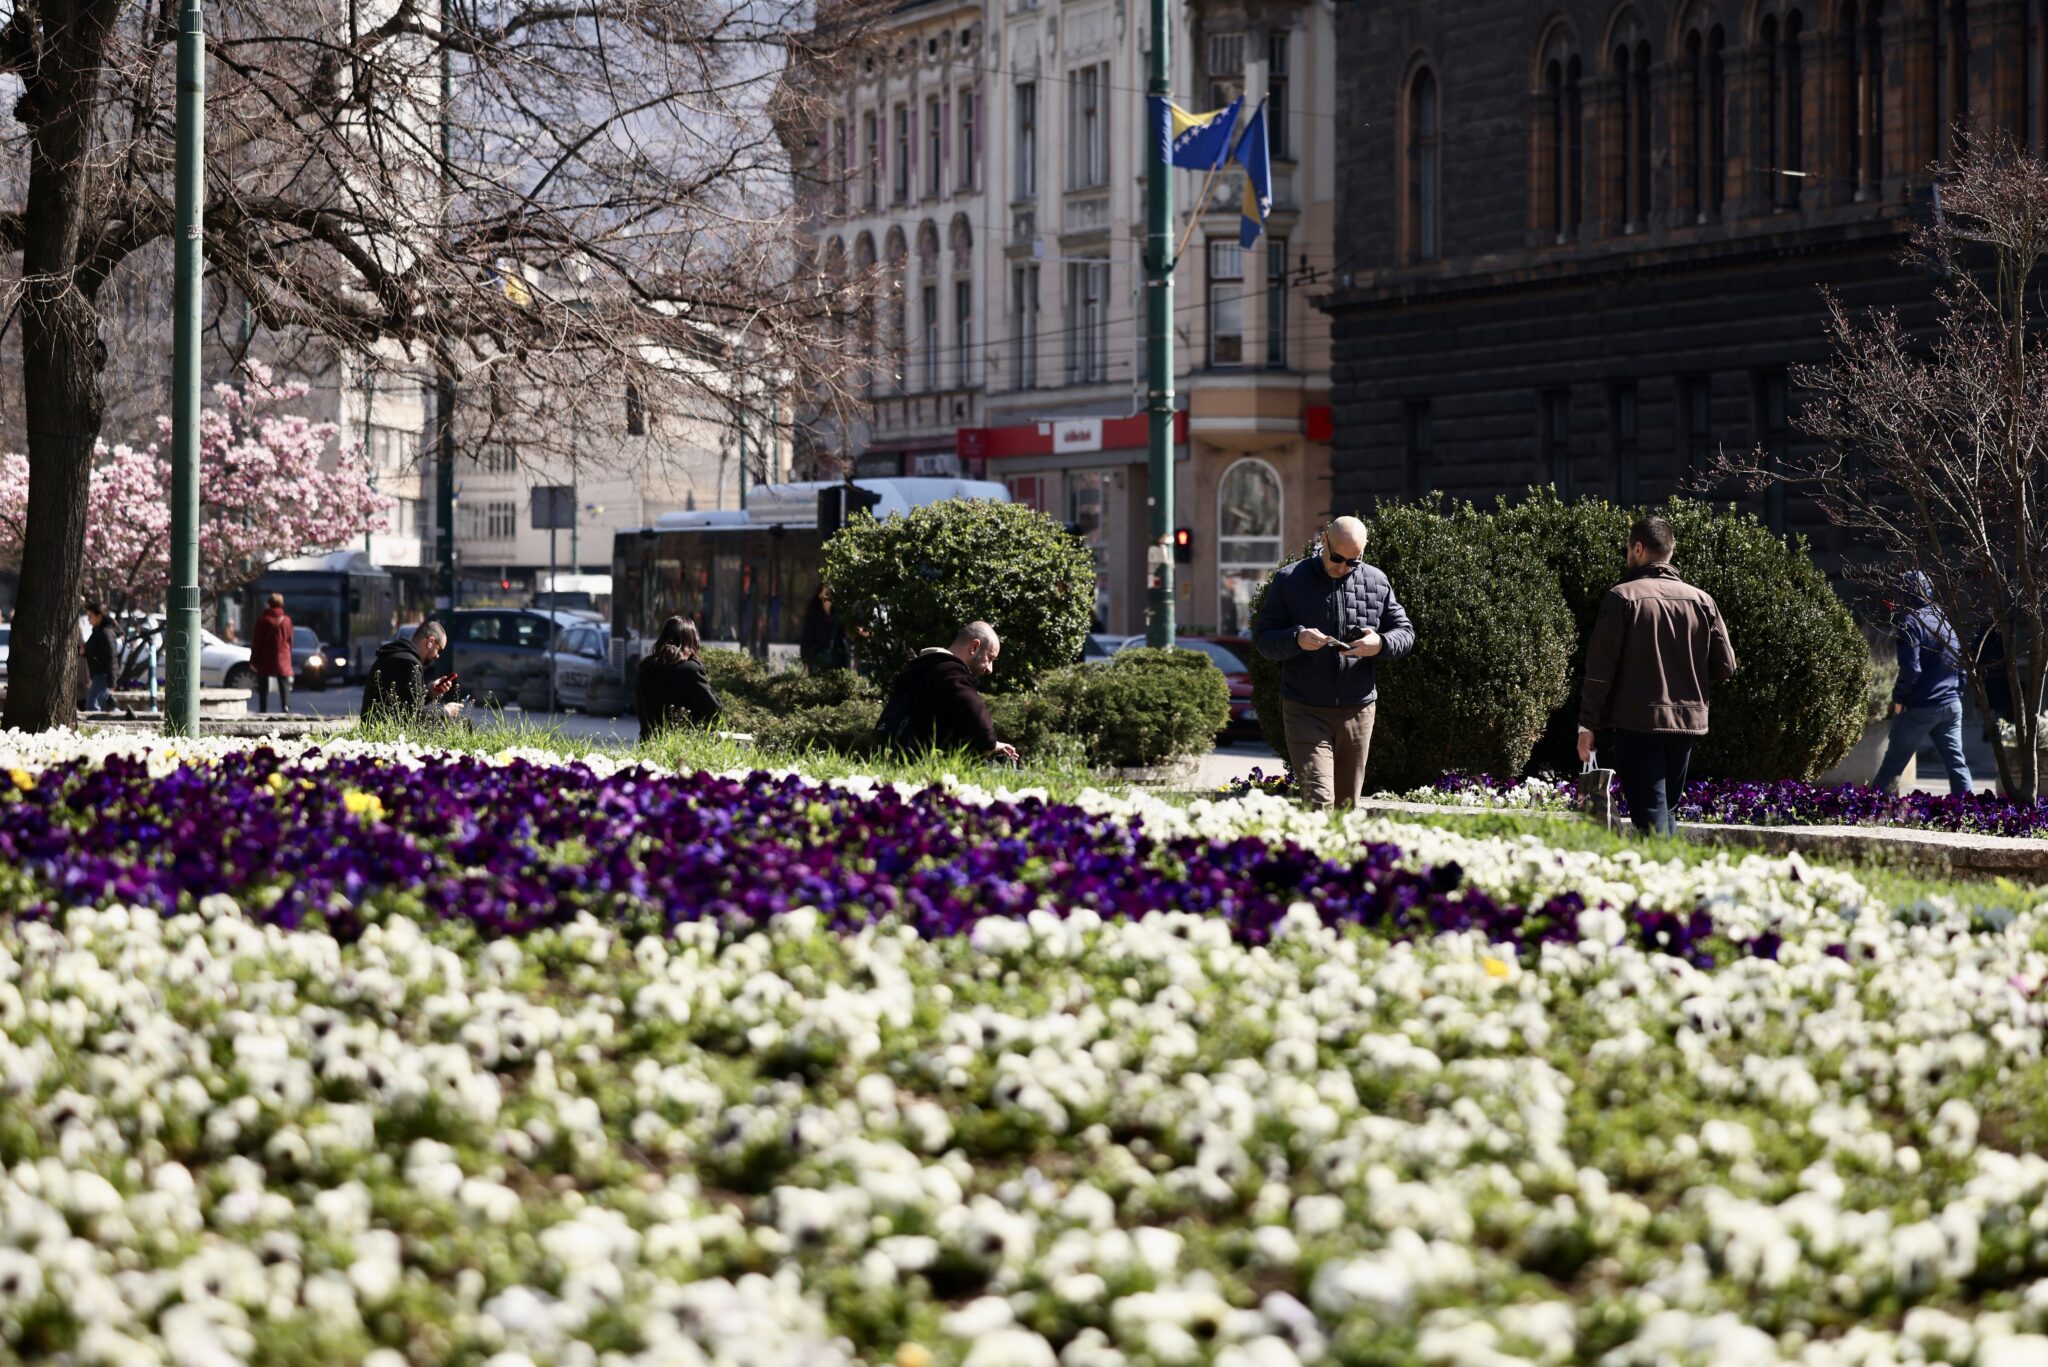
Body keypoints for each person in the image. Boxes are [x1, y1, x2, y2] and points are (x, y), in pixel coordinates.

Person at [1578, 516, 1739, 837]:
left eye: (1628, 548)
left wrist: (1587, 724)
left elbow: (1600, 671)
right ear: (1670, 550)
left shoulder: (1622, 597)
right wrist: (1685, 678)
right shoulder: (1701, 601)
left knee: (1651, 814)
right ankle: (1676, 878)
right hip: (1687, 722)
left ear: (1637, 548)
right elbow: (1726, 665)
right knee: (1665, 809)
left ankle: (1663, 878)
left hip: (1638, 720)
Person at [1251, 516, 1415, 808]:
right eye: (1338, 558)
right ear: (1323, 541)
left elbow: (1405, 633)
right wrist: (1296, 639)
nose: (1344, 567)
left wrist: (1380, 643)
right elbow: (1264, 639)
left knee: (1346, 806)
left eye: (1354, 561)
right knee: (1318, 800)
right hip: (1305, 709)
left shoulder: (1376, 581)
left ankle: (1335, 855)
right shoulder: (1290, 580)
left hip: (1359, 708)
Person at [1875, 571, 1974, 796]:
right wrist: (1956, 692)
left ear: (1905, 595)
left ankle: (1872, 813)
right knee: (1957, 765)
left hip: (1922, 705)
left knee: (1892, 766)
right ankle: (1969, 814)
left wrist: (1899, 699)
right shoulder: (1943, 619)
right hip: (1951, 704)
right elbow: (1962, 663)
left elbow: (1911, 669)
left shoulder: (1910, 623)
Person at [880, 621, 1019, 761]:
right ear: (975, 647)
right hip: (928, 768)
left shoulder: (920, 669)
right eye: (989, 658)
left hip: (897, 759)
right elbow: (984, 733)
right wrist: (991, 745)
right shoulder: (952, 673)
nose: (990, 669)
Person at [636, 616, 722, 739]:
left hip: (650, 744)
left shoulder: (645, 668)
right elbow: (715, 711)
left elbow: (641, 711)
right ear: (692, 641)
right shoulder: (691, 669)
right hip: (684, 747)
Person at [362, 620, 461, 725]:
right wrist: (446, 711)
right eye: (439, 650)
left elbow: (408, 705)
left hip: (380, 725)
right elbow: (414, 715)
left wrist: (430, 693)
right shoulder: (408, 663)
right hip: (387, 731)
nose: (437, 656)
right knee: (463, 723)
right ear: (430, 641)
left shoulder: (396, 655)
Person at [250, 593, 295, 713]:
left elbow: (256, 641)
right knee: (284, 682)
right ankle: (285, 706)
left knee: (263, 682)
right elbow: (290, 640)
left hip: (266, 656)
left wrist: (253, 659)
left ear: (269, 604)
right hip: (283, 655)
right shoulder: (286, 620)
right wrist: (288, 653)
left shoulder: (262, 620)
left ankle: (263, 707)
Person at [799, 588, 852, 673]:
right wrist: (805, 658)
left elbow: (842, 638)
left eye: (831, 593)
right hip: (818, 661)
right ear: (820, 594)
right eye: (826, 592)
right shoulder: (813, 614)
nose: (829, 595)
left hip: (836, 662)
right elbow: (806, 638)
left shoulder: (838, 614)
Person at [81, 601, 116, 711]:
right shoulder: (97, 631)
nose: (88, 619)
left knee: (92, 706)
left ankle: (95, 728)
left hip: (103, 675)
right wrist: (84, 651)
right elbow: (93, 650)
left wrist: (112, 680)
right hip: (98, 674)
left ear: (99, 616)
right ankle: (128, 718)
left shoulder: (105, 633)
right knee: (106, 706)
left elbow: (111, 656)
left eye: (90, 616)